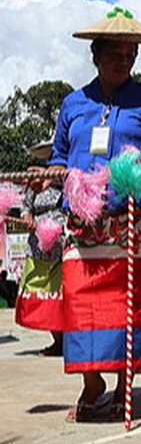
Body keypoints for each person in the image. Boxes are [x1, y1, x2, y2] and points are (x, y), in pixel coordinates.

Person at [48, 7, 141, 422]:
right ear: (96, 54)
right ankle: (92, 384)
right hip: (84, 224)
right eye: (115, 53)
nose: (123, 60)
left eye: (130, 54)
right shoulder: (73, 103)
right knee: (82, 302)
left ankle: (126, 387)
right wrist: (55, 172)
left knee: (131, 304)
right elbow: (58, 155)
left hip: (134, 220)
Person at [15, 138, 64, 356]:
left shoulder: (66, 179)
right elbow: (25, 207)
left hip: (61, 245)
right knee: (38, 291)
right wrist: (28, 219)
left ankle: (64, 341)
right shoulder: (35, 182)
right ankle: (56, 339)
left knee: (60, 294)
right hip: (37, 247)